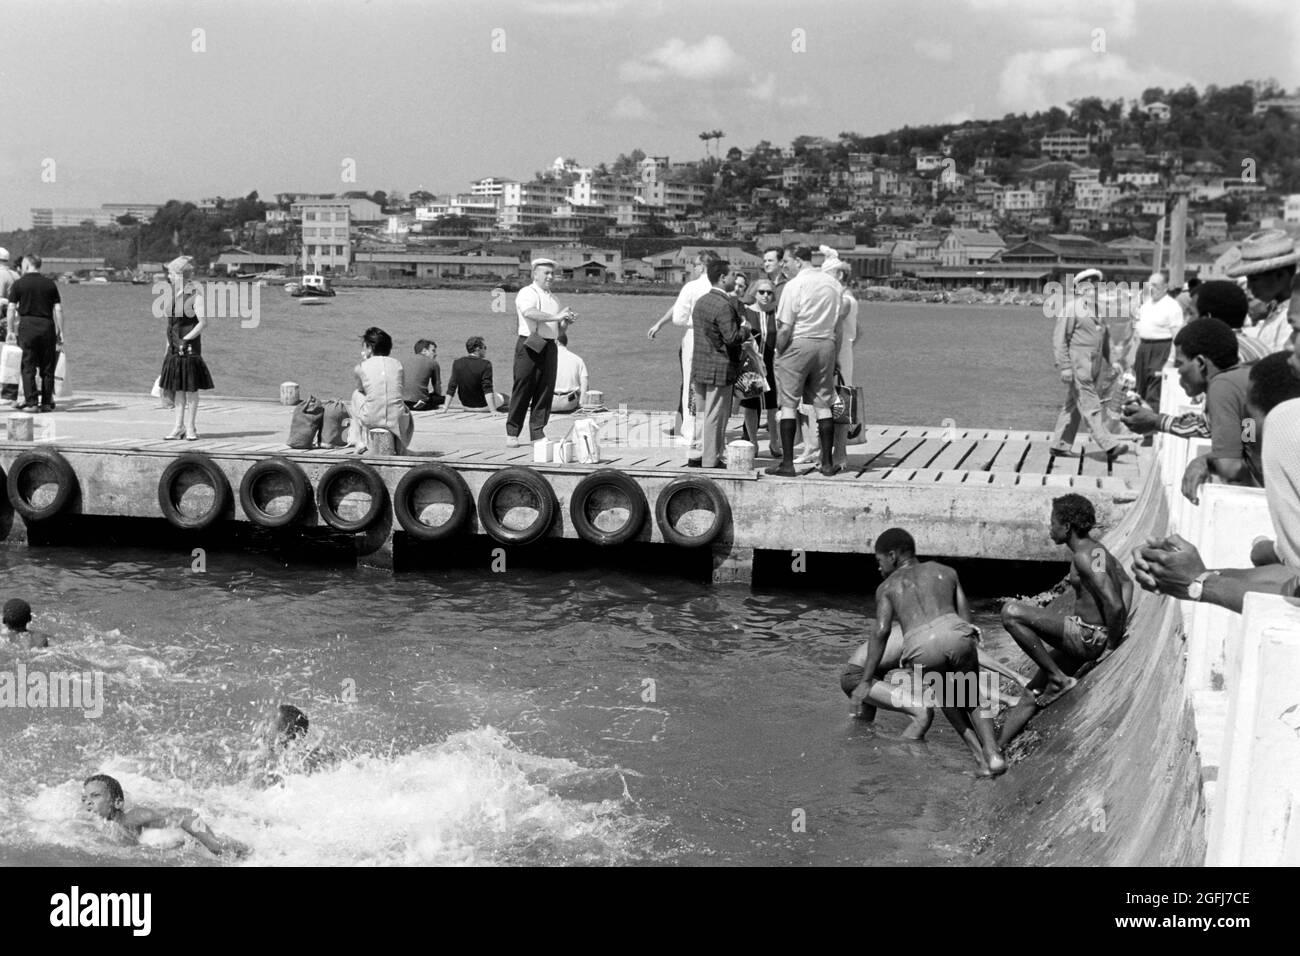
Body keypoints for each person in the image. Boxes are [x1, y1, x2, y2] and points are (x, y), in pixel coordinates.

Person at [1134, 355, 1300, 612]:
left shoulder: (1224, 387)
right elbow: (1241, 443)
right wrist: (1194, 574)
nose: (1177, 372)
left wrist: (1198, 583)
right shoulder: (1244, 400)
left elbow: (1233, 464)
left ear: (1201, 362)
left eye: (1181, 361)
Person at [848, 528, 1007, 776]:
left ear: (892, 556)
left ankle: (980, 759)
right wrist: (968, 638)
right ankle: (994, 753)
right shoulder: (946, 572)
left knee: (946, 695)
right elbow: (964, 616)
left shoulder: (887, 587)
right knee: (971, 693)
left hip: (921, 647)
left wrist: (866, 680)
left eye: (879, 561)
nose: (878, 568)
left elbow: (881, 632)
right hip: (955, 633)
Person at [997, 495, 1133, 747]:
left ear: (1067, 526)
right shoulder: (1096, 551)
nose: (1050, 529)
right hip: (1087, 636)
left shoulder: (1085, 557)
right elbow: (1126, 582)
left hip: (1086, 637)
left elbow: (1113, 603)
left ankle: (1058, 678)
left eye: (1053, 523)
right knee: (1032, 693)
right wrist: (1112, 629)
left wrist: (1110, 642)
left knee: (1010, 612)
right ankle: (995, 754)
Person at [766, 245, 848, 477]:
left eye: (786, 262)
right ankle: (827, 462)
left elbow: (785, 327)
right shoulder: (834, 285)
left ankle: (788, 464)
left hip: (799, 343)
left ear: (799, 262)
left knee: (789, 404)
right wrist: (836, 356)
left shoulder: (795, 285)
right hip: (826, 345)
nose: (784, 267)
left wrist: (778, 351)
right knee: (823, 404)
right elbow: (838, 327)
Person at [1048, 269, 1129, 461]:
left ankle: (1059, 445)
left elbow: (1105, 338)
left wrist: (1115, 361)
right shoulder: (1071, 308)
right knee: (1091, 405)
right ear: (1079, 288)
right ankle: (1109, 445)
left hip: (1094, 365)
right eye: (1088, 286)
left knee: (1073, 405)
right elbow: (1059, 339)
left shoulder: (1097, 309)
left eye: (1095, 286)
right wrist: (1065, 367)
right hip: (1078, 366)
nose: (1092, 289)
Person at [81, 774, 246, 856]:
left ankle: (250, 852)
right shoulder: (106, 822)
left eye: (96, 796)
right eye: (85, 798)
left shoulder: (132, 817)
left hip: (187, 833)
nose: (88, 801)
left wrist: (213, 843)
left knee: (223, 848)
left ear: (117, 803)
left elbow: (185, 814)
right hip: (173, 841)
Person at [646, 251, 714, 443]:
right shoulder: (718, 287)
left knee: (691, 385)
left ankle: (690, 431)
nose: (692, 268)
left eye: (694, 264)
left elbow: (679, 316)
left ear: (701, 266)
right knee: (711, 386)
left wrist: (660, 324)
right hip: (715, 337)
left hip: (694, 334)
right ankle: (708, 430)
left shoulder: (692, 287)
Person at [688, 259, 750, 469]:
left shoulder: (702, 301)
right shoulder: (724, 305)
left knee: (701, 414)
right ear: (723, 278)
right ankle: (711, 458)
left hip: (700, 366)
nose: (735, 278)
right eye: (732, 275)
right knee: (716, 415)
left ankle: (696, 454)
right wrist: (746, 328)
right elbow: (732, 338)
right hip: (720, 368)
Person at [506, 258, 575, 447]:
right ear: (535, 274)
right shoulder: (527, 292)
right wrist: (556, 316)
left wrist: (564, 322)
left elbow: (558, 332)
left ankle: (537, 432)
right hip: (530, 342)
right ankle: (512, 432)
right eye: (546, 273)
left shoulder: (554, 299)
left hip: (550, 344)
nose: (550, 277)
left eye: (552, 273)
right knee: (523, 387)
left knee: (545, 389)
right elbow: (529, 312)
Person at [157, 256, 213, 440]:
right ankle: (178, 426)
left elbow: (203, 323)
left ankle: (191, 427)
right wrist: (167, 349)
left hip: (189, 349)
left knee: (190, 390)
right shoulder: (174, 296)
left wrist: (186, 340)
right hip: (174, 348)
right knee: (178, 389)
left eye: (171, 273)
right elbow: (171, 326)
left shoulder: (195, 295)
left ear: (180, 274)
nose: (169, 277)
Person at [5, 254, 64, 413]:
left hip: (27, 325)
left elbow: (11, 309)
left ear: (27, 265)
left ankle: (31, 403)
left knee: (28, 365)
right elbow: (57, 309)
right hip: (47, 325)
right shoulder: (50, 284)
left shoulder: (19, 284)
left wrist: (10, 330)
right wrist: (60, 331)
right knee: (47, 366)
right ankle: (46, 402)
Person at [1229, 229, 1298, 354]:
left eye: (1254, 280)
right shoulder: (1277, 312)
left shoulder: (1291, 318)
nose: (1249, 287)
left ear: (1280, 275)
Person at [347, 326, 414, 455]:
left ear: (370, 348)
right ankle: (401, 445)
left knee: (356, 395)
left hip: (372, 418)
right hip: (397, 419)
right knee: (402, 406)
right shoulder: (398, 365)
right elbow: (399, 388)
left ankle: (359, 441)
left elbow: (361, 389)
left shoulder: (361, 367)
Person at [1127, 270, 1184, 407]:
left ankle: (1153, 423)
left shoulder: (1172, 306)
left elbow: (1177, 338)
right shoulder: (1146, 305)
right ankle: (1139, 424)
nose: (1152, 288)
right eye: (1149, 285)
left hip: (1161, 350)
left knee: (1155, 391)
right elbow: (1139, 333)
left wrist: (1170, 361)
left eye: (1156, 285)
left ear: (1165, 287)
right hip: (1143, 349)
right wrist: (1133, 354)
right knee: (1139, 390)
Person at [739, 277, 781, 458]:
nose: (765, 295)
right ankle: (753, 442)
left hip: (772, 364)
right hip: (751, 364)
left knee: (773, 406)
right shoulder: (746, 313)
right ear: (754, 293)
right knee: (751, 404)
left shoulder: (777, 314)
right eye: (761, 292)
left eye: (769, 293)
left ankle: (774, 441)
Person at [247, 703, 337, 786]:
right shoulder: (262, 759)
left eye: (268, 722)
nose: (262, 726)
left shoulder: (281, 770)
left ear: (283, 734)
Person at [444, 336, 506, 414]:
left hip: (466, 406)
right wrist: (493, 410)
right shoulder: (486, 364)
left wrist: (445, 408)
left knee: (496, 396)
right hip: (483, 406)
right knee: (505, 397)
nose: (485, 350)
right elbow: (487, 388)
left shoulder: (457, 363)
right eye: (484, 347)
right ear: (477, 349)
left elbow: (451, 387)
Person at [550, 329, 588, 414]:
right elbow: (585, 383)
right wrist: (581, 403)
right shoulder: (578, 359)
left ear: (556, 342)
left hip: (549, 403)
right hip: (569, 403)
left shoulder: (546, 359)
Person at [401, 338, 445, 411]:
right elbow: (438, 389)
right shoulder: (433, 363)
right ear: (424, 351)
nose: (435, 354)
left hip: (403, 403)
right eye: (433, 351)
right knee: (443, 398)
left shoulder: (404, 361)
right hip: (419, 404)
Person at [0, 248, 20, 402]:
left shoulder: (1, 275)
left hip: (2, 318)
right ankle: (10, 389)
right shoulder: (16, 275)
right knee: (11, 355)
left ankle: (4, 390)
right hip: (14, 319)